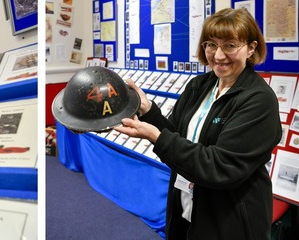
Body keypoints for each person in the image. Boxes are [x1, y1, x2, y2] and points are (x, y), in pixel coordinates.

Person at [114, 8, 281, 239]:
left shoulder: (259, 100)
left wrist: (156, 137)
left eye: (230, 45)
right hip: (187, 204)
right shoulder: (199, 86)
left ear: (251, 48)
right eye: (211, 45)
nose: (219, 55)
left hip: (230, 217)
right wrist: (148, 111)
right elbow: (177, 135)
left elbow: (220, 167)